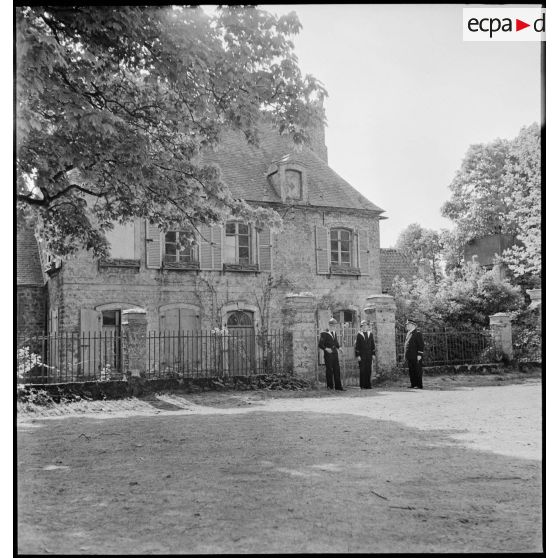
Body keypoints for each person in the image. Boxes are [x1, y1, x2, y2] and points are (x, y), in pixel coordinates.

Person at [318, 317, 344, 391]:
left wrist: (339, 348)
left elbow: (335, 342)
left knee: (337, 370)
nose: (334, 327)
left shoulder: (334, 333)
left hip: (335, 354)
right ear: (329, 325)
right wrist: (326, 349)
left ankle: (338, 387)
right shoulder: (324, 333)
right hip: (328, 355)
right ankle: (330, 387)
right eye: (332, 326)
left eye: (335, 326)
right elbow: (320, 345)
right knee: (329, 370)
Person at [404, 317, 425, 389]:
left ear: (413, 325)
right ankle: (413, 384)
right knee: (411, 370)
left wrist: (419, 354)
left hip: (416, 355)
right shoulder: (409, 333)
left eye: (408, 325)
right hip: (410, 356)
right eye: (407, 325)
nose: (407, 326)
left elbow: (421, 345)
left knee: (417, 370)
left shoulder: (417, 333)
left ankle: (419, 385)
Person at [354, 319, 375, 389]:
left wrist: (373, 354)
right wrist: (358, 355)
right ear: (361, 327)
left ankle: (368, 385)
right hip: (362, 355)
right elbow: (357, 346)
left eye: (366, 325)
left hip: (369, 355)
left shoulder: (370, 334)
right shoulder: (359, 334)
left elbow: (373, 345)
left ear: (368, 326)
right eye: (363, 326)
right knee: (362, 370)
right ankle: (362, 385)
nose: (365, 327)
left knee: (368, 370)